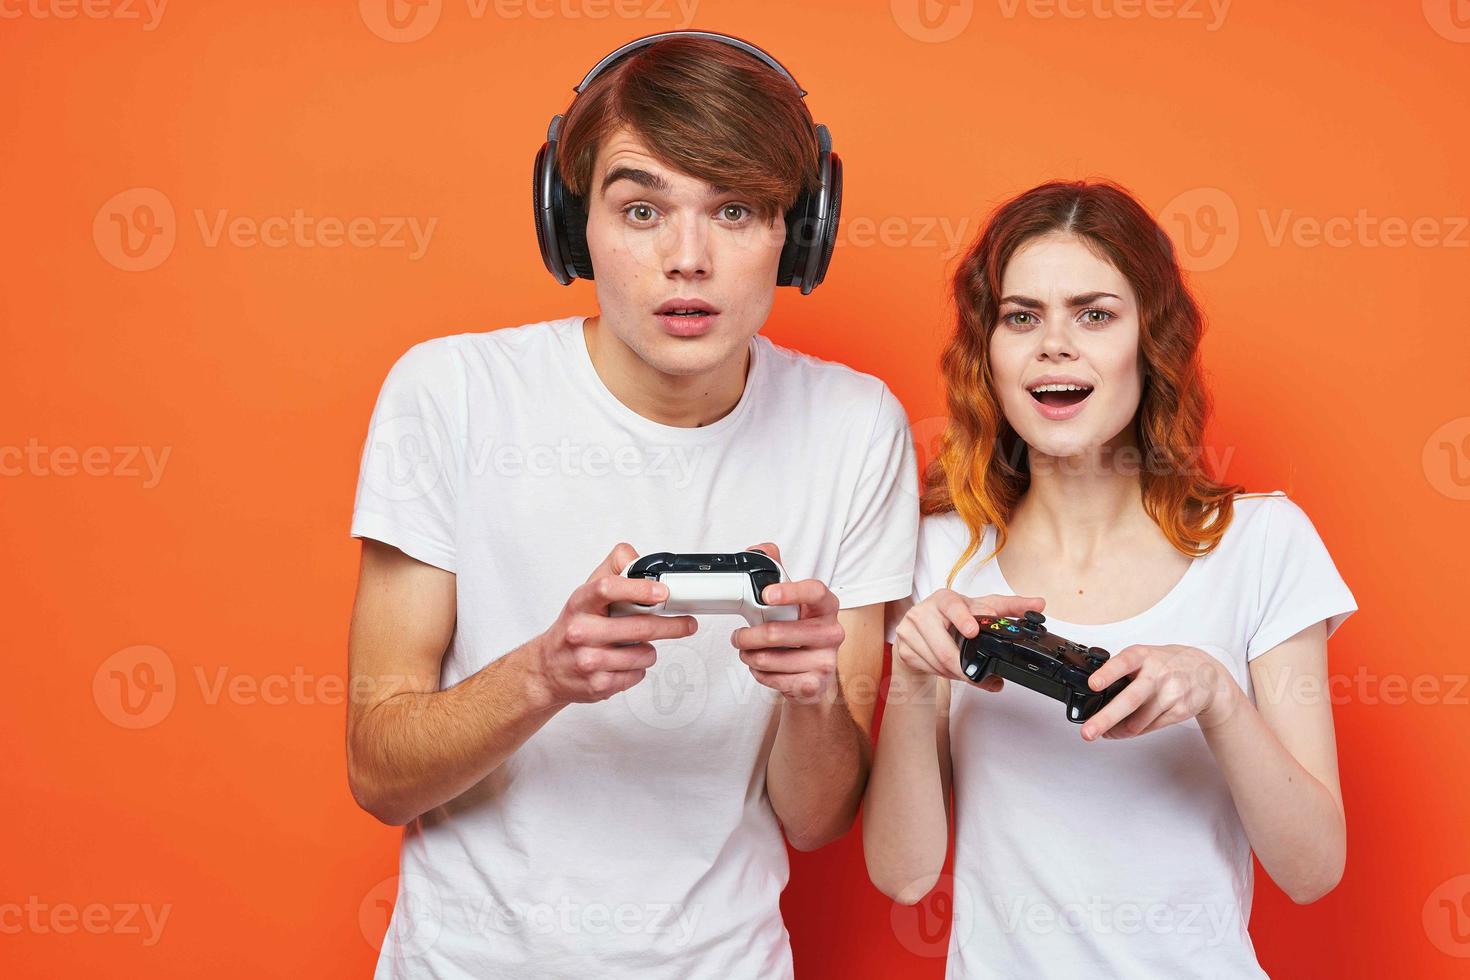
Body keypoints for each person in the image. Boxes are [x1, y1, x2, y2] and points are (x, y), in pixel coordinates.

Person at [345, 31, 918, 979]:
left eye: (733, 210)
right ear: (573, 228)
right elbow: (378, 772)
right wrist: (543, 675)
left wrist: (814, 698)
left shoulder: (856, 427)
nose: (686, 259)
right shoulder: (450, 393)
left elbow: (815, 824)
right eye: (642, 208)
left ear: (798, 232)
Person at [863, 180, 1356, 978]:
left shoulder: (1261, 543)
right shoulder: (939, 554)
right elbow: (903, 873)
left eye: (1095, 314)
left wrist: (1217, 698)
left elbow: (1313, 870)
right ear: (988, 351)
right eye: (1022, 317)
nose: (1055, 345)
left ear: (1149, 340)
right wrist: (917, 679)